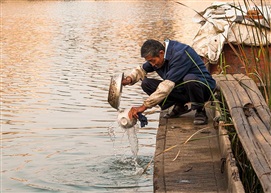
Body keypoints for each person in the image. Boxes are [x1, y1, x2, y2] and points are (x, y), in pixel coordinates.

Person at [122, 39, 216, 125]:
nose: (152, 64)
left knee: (189, 79)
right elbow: (141, 70)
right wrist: (129, 79)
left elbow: (166, 87)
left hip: (204, 89)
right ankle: (180, 105)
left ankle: (200, 110)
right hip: (184, 88)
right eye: (150, 62)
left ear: (161, 53)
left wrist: (143, 107)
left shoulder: (180, 54)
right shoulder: (159, 56)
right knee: (146, 83)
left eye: (153, 61)